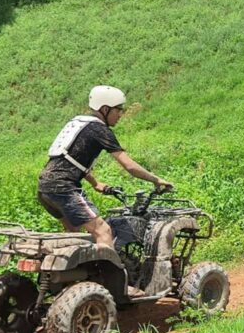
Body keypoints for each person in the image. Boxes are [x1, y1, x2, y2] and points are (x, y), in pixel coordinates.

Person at [37, 85, 173, 248]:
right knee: (103, 231)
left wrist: (95, 183)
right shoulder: (100, 130)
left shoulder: (77, 123)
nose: (120, 114)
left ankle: (71, 272)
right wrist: (155, 179)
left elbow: (68, 159)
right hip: (63, 188)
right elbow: (129, 166)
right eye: (118, 109)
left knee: (73, 232)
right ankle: (106, 273)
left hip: (45, 187)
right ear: (105, 109)